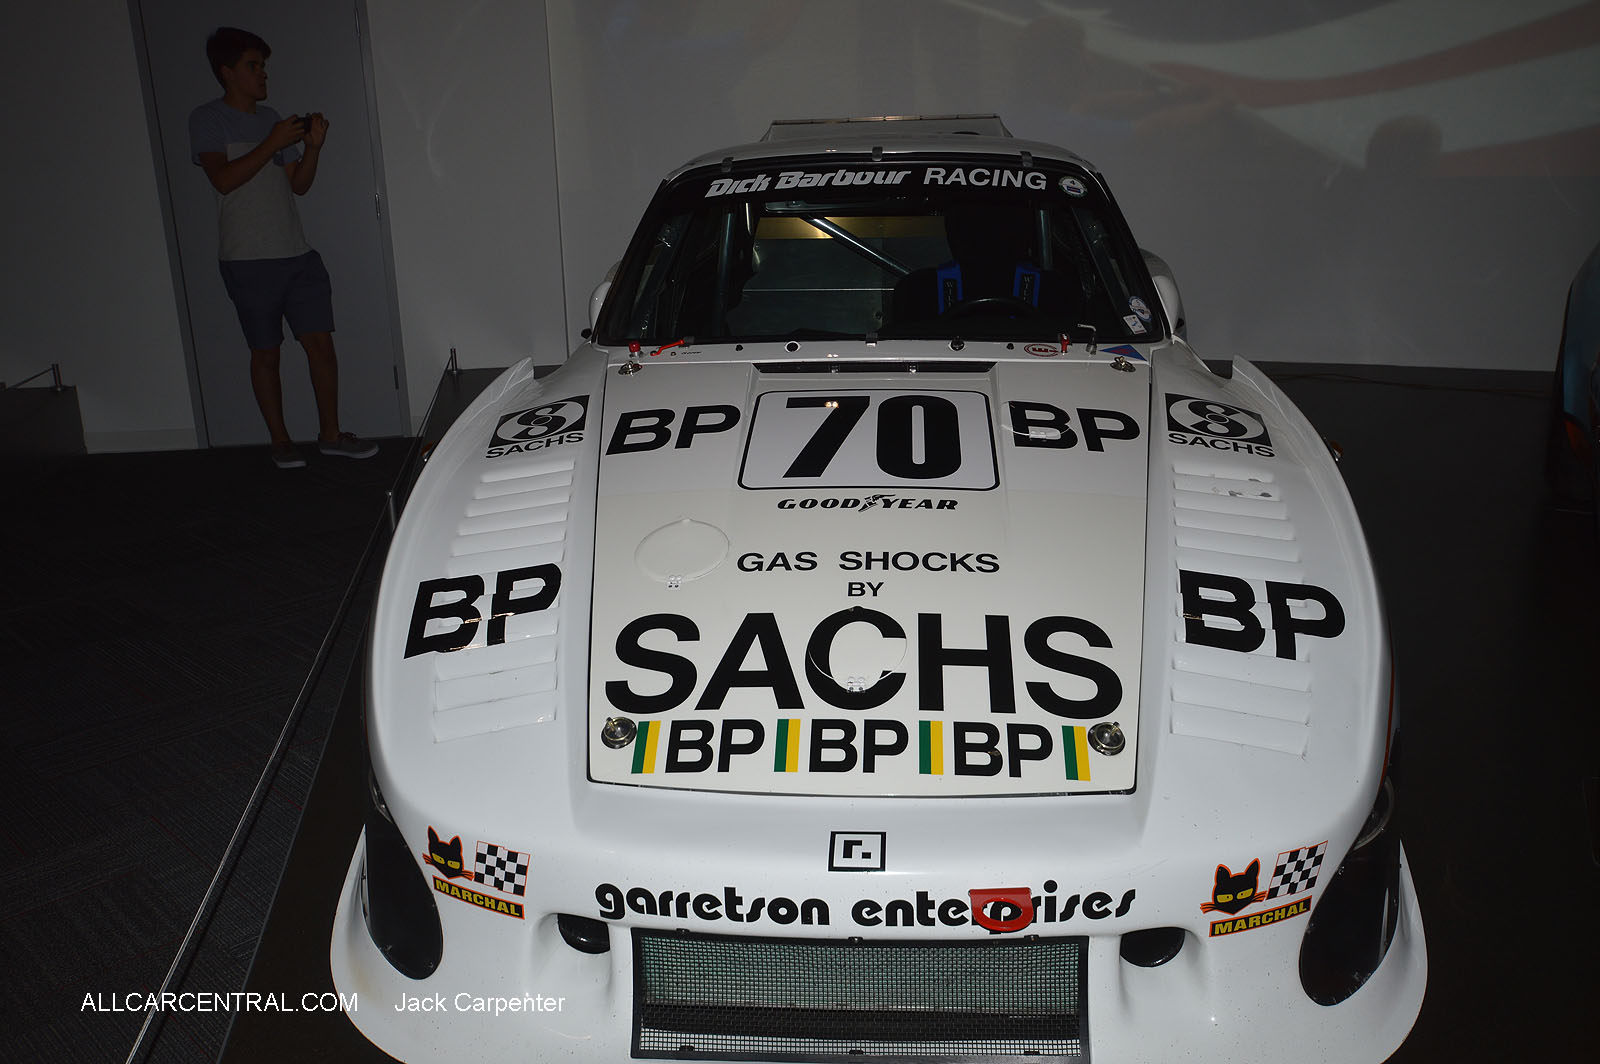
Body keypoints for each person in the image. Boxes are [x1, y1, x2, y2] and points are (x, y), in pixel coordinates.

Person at [188, 26, 376, 468]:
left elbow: (299, 186)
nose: (263, 74)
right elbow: (223, 179)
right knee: (266, 353)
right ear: (227, 72)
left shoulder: (269, 117)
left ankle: (330, 435)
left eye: (263, 66)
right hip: (248, 260)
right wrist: (272, 141)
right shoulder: (207, 119)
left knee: (322, 347)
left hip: (298, 254)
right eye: (253, 66)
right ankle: (280, 441)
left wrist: (312, 149)